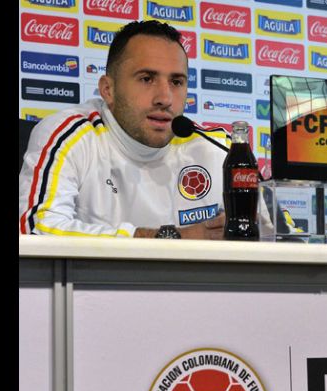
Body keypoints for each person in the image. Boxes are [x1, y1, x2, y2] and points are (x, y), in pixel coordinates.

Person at [19, 20, 227, 239]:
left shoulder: (217, 149)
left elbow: (266, 238)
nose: (165, 99)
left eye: (176, 82)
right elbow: (35, 229)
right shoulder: (70, 136)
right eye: (147, 79)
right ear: (108, 90)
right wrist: (172, 238)